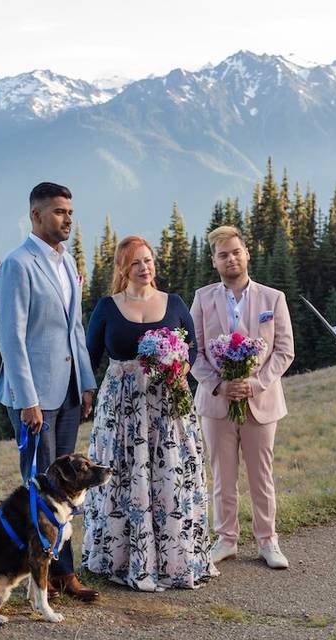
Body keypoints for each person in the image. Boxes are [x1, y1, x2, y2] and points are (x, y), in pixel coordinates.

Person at [82, 236, 216, 591]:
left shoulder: (173, 303)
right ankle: (123, 557)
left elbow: (192, 349)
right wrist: (86, 396)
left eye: (149, 260)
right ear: (123, 269)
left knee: (168, 475)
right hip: (122, 408)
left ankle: (175, 557)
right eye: (136, 263)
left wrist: (175, 365)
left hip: (167, 406)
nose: (145, 268)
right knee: (125, 476)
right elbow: (90, 355)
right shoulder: (107, 307)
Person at [0, 181, 100, 602]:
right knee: (41, 489)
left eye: (70, 211)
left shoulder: (67, 261)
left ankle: (63, 575)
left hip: (70, 391)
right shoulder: (18, 264)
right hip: (35, 398)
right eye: (58, 211)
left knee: (67, 489)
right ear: (36, 215)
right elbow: (11, 339)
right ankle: (43, 578)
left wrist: (87, 381)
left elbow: (75, 327)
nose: (67, 218)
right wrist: (28, 400)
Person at [189, 225, 294, 570]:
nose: (231, 259)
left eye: (236, 252)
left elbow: (284, 351)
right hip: (217, 403)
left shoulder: (272, 298)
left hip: (260, 402)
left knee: (261, 475)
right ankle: (226, 540)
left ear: (247, 253)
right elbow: (194, 351)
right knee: (222, 474)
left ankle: (268, 541)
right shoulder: (203, 298)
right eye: (223, 255)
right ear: (214, 261)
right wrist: (219, 385)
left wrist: (256, 383)